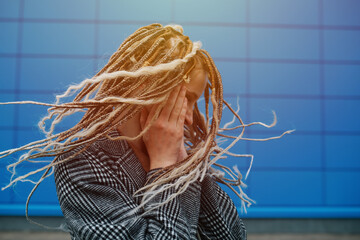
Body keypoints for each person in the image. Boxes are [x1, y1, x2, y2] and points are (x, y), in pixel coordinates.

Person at [0, 23, 292, 239]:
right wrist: (165, 168)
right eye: (186, 99)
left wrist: (184, 164)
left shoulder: (181, 152)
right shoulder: (81, 160)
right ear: (146, 87)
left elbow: (230, 236)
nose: (190, 118)